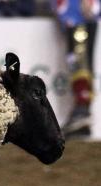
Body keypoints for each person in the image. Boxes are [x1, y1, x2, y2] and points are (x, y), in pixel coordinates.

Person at [55, 0, 99, 138]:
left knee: (80, 55)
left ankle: (82, 109)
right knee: (75, 59)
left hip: (77, 10)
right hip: (72, 11)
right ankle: (81, 110)